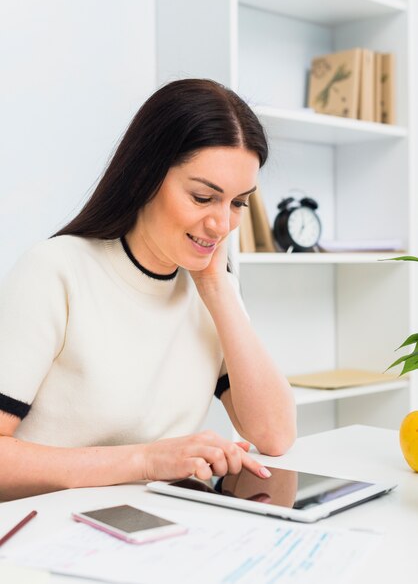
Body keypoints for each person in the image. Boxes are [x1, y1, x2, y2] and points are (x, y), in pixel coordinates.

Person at [0, 79, 296, 500]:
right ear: (145, 175)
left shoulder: (208, 289)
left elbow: (275, 435)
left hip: (156, 530)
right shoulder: (56, 271)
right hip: (49, 531)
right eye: (202, 197)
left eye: (237, 203)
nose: (222, 224)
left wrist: (217, 286)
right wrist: (145, 461)